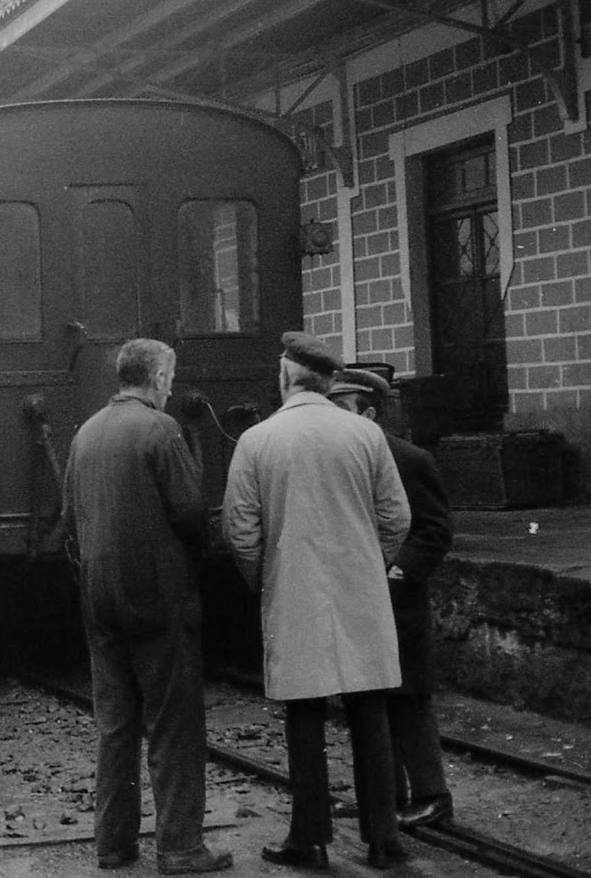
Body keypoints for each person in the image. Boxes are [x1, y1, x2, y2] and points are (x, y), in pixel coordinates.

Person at [221, 332, 412, 871]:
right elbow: (397, 516)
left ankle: (310, 838)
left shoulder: (257, 441)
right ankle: (384, 839)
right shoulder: (365, 435)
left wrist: (268, 577)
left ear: (285, 376)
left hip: (293, 590)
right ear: (329, 381)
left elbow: (240, 528)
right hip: (362, 593)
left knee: (303, 716)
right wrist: (368, 565)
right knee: (369, 710)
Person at [60, 338, 232, 874]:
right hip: (157, 599)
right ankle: (180, 847)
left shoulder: (85, 433)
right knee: (173, 723)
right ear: (157, 378)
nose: (173, 387)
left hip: (99, 597)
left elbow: (69, 519)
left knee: (115, 725)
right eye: (171, 377)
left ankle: (114, 847)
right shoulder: (161, 430)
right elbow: (188, 512)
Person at [326, 367, 455, 830]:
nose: (333, 418)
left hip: (399, 602)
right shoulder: (339, 458)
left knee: (409, 699)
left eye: (343, 408)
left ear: (372, 413)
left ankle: (432, 795)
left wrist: (403, 567)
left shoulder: (411, 460)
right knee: (366, 698)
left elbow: (436, 529)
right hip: (357, 597)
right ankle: (383, 794)